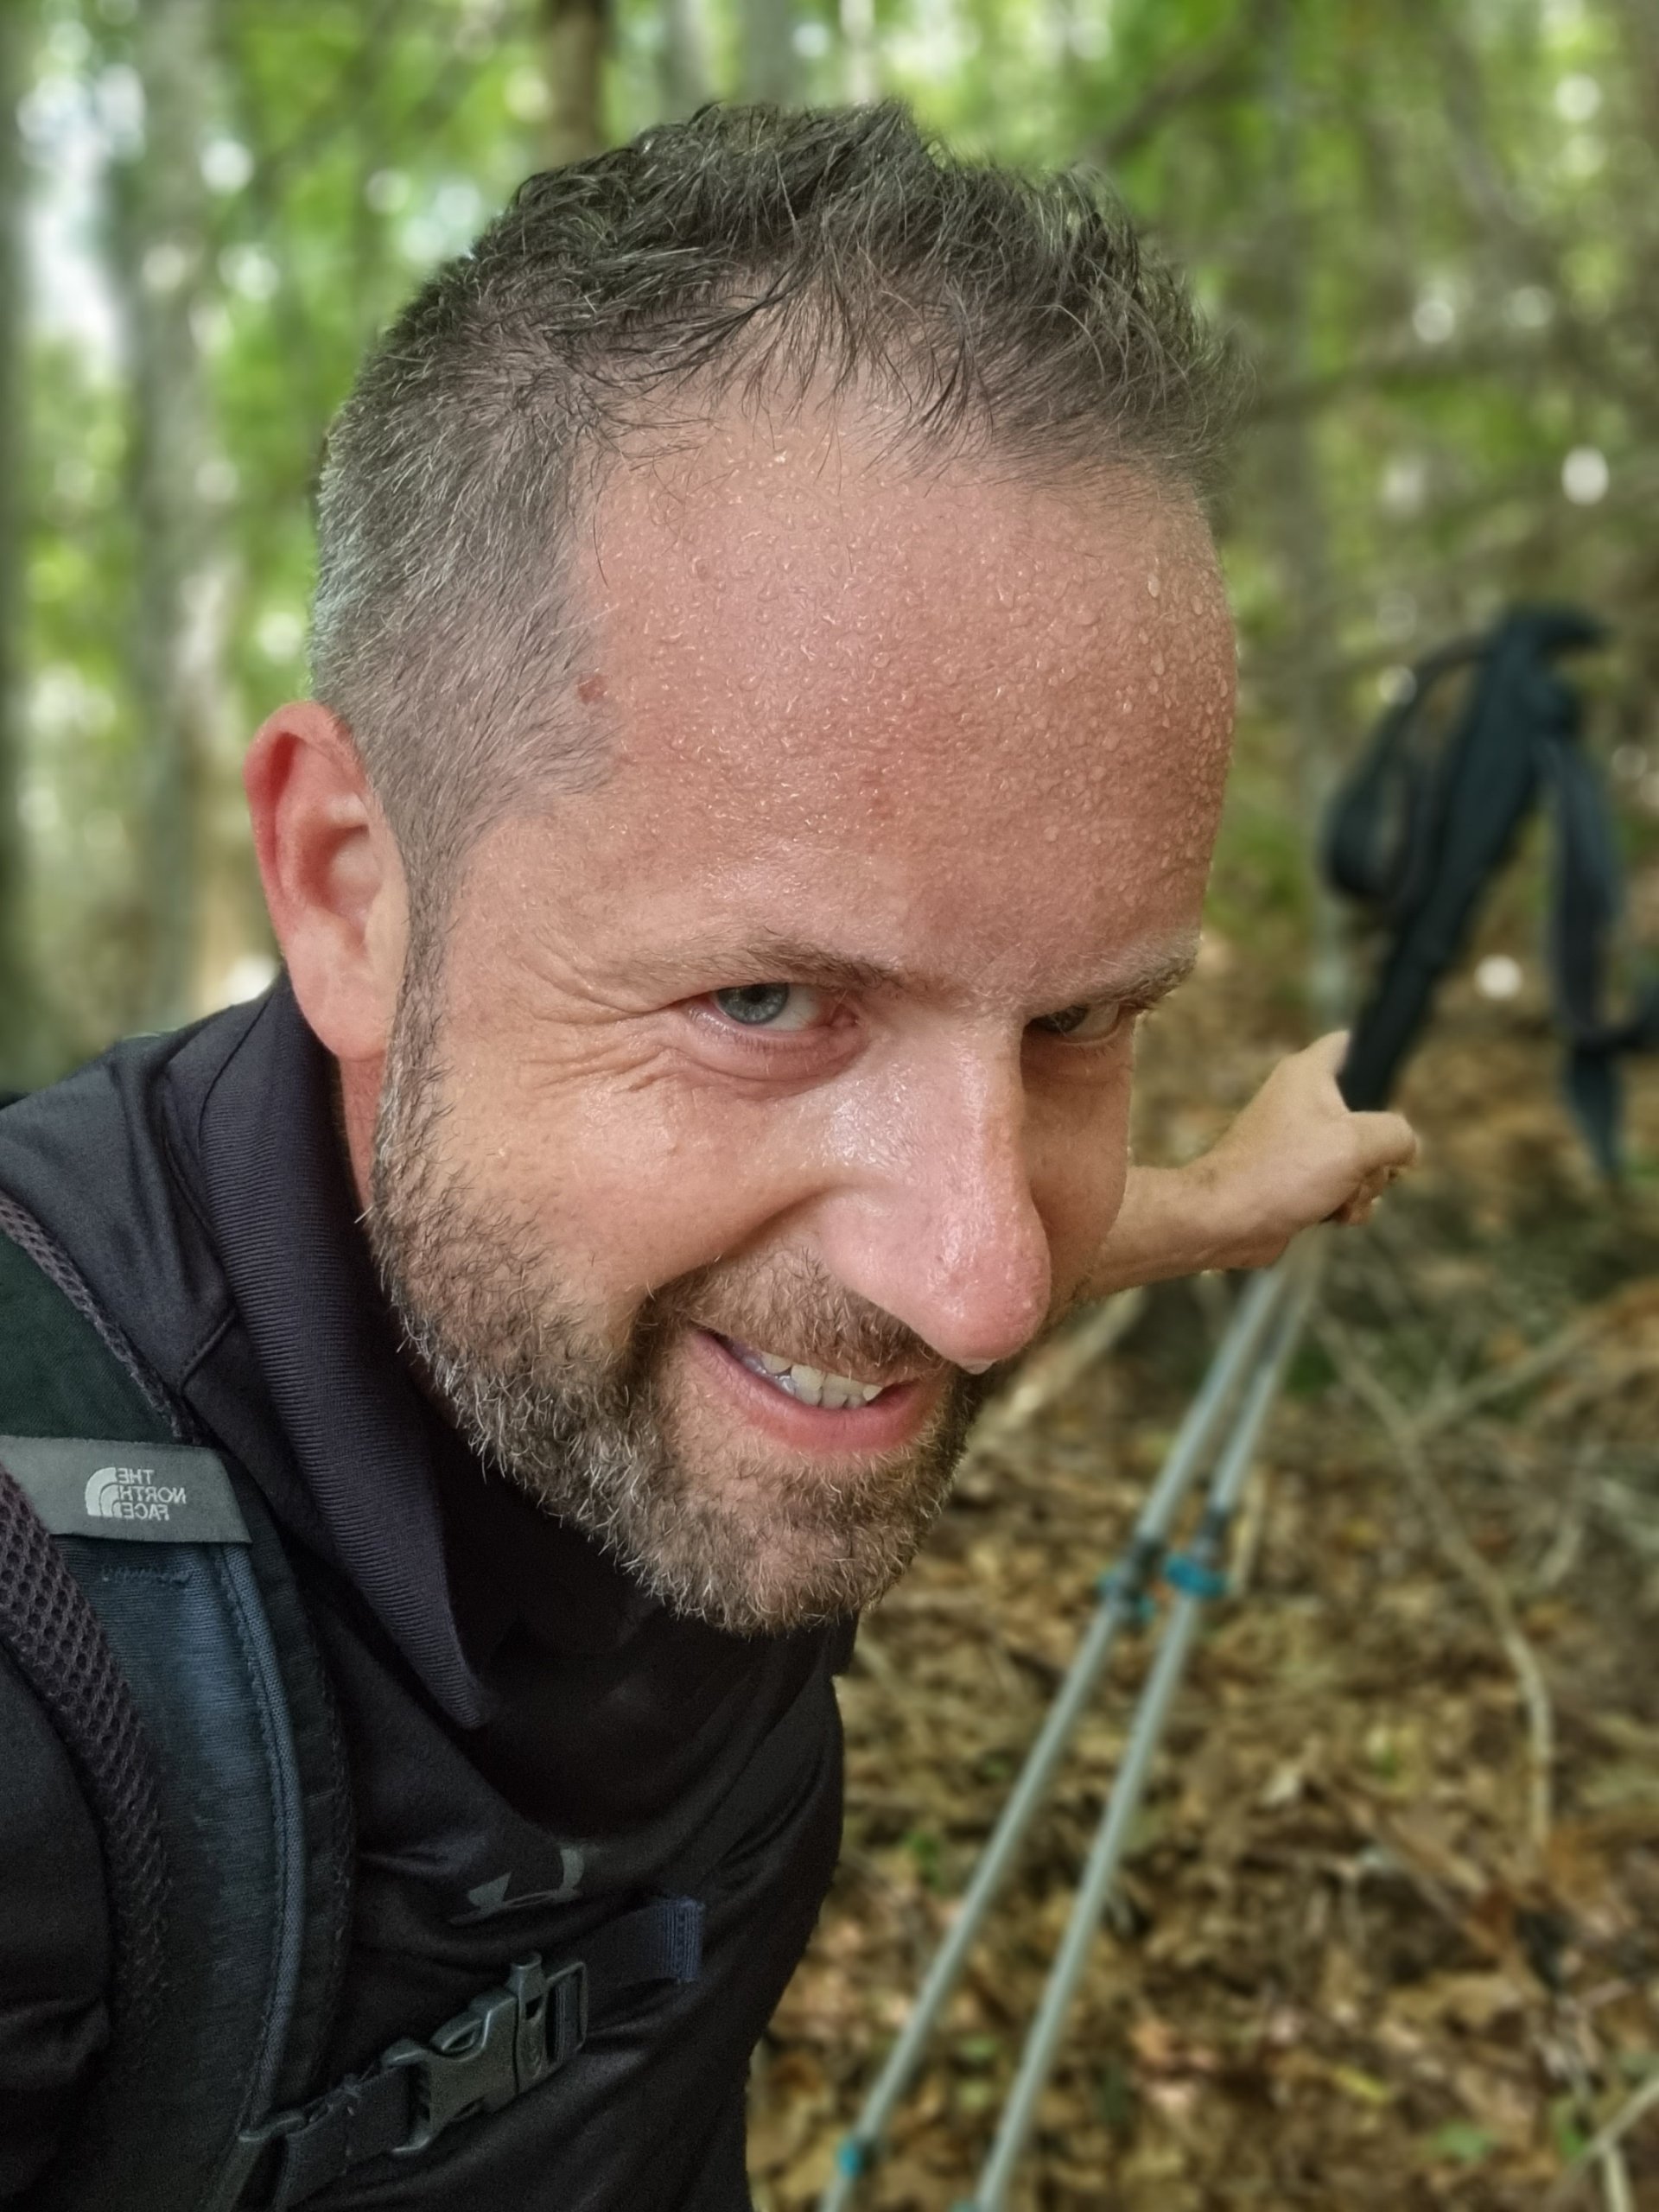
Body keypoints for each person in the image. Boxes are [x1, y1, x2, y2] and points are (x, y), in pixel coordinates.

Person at [0, 104, 1414, 2210]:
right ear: (353, 887)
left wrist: (1224, 1192)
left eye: (1080, 1019)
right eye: (771, 1006)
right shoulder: (47, 1682)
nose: (979, 1283)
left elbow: (1012, 1239)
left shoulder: (765, 1261)